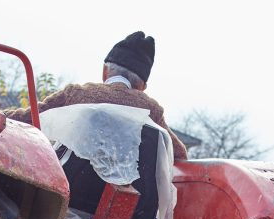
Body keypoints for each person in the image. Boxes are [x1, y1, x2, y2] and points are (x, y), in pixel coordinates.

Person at [16, 31, 187, 160]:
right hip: (126, 204)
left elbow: (27, 118)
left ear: (105, 71)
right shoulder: (151, 110)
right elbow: (179, 154)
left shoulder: (76, 94)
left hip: (65, 193)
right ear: (142, 86)